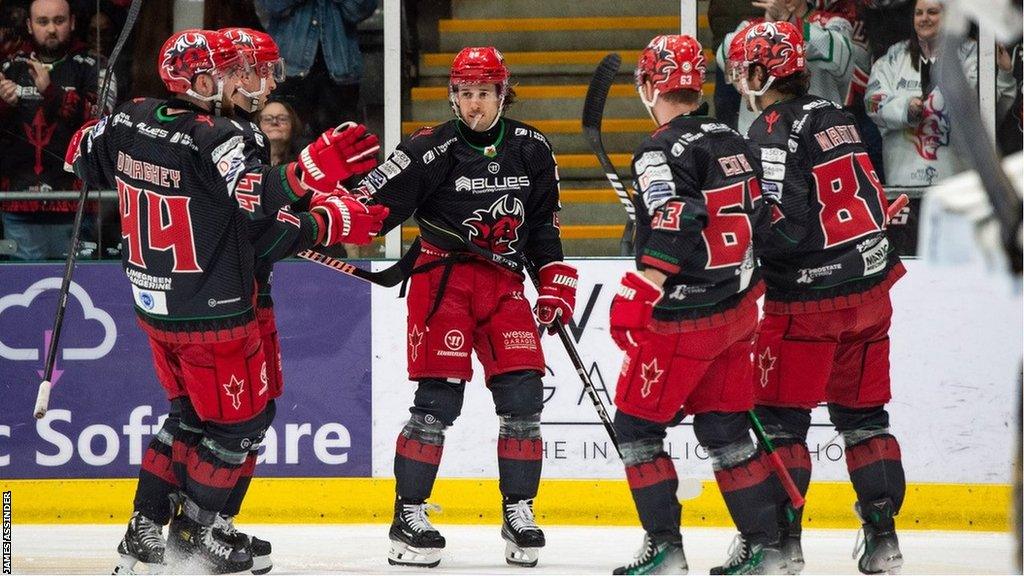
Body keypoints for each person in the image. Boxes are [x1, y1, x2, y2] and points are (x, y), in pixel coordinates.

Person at [66, 28, 386, 574]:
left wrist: (100, 127)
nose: (245, 79)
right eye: (230, 69)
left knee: (190, 416)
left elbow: (77, 158)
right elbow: (256, 207)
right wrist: (317, 198)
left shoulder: (132, 114)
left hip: (158, 302)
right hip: (216, 309)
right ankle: (198, 533)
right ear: (200, 79)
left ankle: (148, 530)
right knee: (239, 426)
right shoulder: (221, 136)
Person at [358, 46, 574, 569]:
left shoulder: (532, 148)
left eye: (484, 93)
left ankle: (518, 511)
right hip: (442, 281)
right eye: (465, 93)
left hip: (503, 283)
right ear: (453, 96)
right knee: (437, 401)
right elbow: (370, 210)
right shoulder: (428, 149)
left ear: (503, 93)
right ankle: (408, 515)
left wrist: (554, 280)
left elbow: (543, 225)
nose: (474, 104)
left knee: (523, 397)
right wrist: (325, 212)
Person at [736, 20, 908, 575]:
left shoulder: (768, 131)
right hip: (871, 290)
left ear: (766, 72)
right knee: (865, 420)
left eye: (747, 67)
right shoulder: (839, 117)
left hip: (808, 303)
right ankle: (883, 540)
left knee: (781, 422)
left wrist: (734, 235)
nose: (741, 77)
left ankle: (783, 546)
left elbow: (786, 228)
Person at [607, 34, 782, 575]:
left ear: (649, 84)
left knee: (636, 429)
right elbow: (762, 216)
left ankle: (665, 548)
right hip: (734, 312)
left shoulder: (658, 149)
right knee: (725, 430)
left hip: (682, 320)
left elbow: (676, 217)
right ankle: (766, 547)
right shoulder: (734, 138)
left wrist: (644, 286)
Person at [865, 0, 1018, 187]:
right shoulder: (894, 57)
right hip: (902, 186)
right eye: (919, 13)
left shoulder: (973, 54)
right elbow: (872, 103)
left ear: (949, 17)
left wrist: (1004, 74)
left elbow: (988, 109)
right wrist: (907, 107)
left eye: (932, 12)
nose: (924, 18)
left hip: (955, 187)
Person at [0, 0, 109, 260]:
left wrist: (52, 93)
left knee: (81, 289)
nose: (51, 29)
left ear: (71, 22)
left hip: (75, 204)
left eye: (58, 21)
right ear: (29, 25)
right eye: (42, 22)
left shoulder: (94, 67)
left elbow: (103, 122)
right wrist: (2, 106)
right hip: (17, 202)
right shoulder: (8, 68)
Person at [717, 0, 854, 135]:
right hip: (759, 135)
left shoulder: (834, 23)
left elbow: (841, 58)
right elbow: (725, 58)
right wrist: (769, 27)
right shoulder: (749, 26)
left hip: (816, 132)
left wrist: (789, 22)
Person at [253, 0, 377, 137]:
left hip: (341, 69)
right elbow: (272, 6)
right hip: (288, 68)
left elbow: (360, 11)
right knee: (282, 138)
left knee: (339, 142)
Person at [259, 99, 303, 166]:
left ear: (293, 125)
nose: (274, 122)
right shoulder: (247, 160)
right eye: (267, 119)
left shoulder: (302, 161)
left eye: (282, 119)